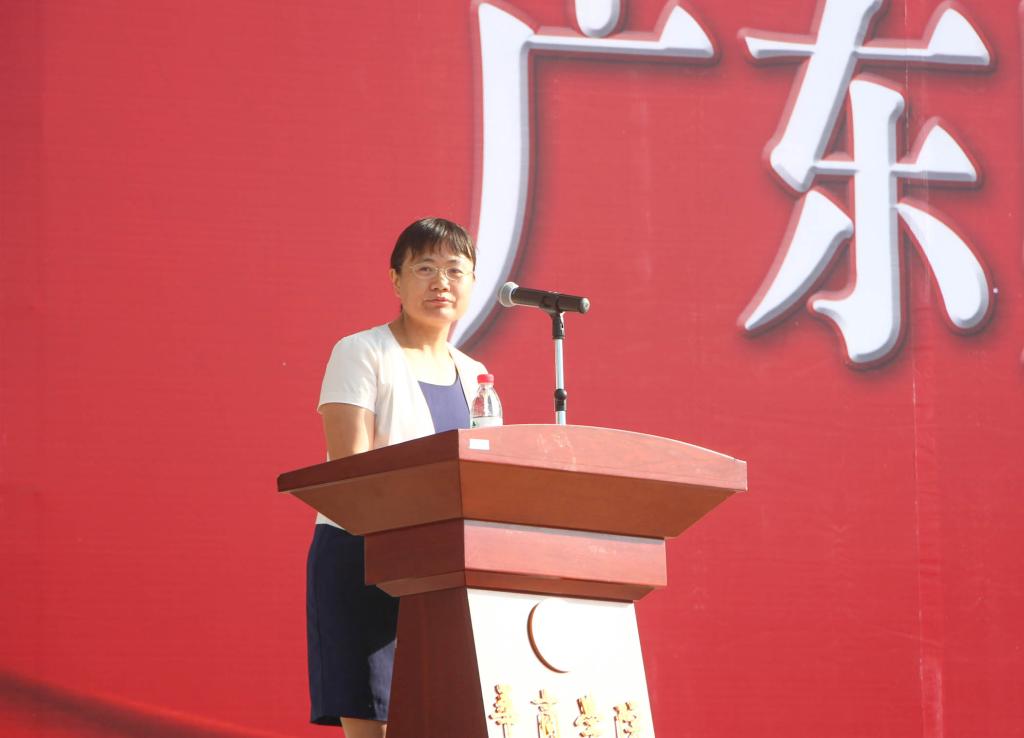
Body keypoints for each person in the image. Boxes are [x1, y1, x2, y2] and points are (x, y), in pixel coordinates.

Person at [308, 217, 488, 737]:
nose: (441, 283)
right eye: (425, 268)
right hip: (367, 558)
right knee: (378, 726)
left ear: (473, 282)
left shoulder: (476, 374)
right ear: (395, 280)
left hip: (445, 573)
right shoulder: (361, 352)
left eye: (455, 270)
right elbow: (350, 473)